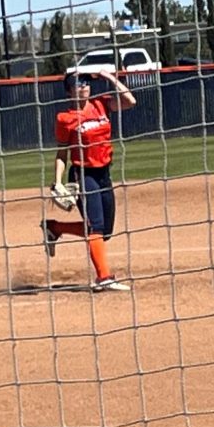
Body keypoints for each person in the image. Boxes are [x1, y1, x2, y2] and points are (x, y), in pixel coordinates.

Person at [41, 71, 137, 291]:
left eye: (86, 82)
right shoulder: (64, 119)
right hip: (83, 174)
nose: (84, 86)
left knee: (106, 231)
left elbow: (130, 101)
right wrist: (57, 182)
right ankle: (103, 277)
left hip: (104, 173)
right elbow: (62, 153)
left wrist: (108, 77)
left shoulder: (100, 104)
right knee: (96, 226)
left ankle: (54, 228)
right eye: (78, 84)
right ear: (68, 91)